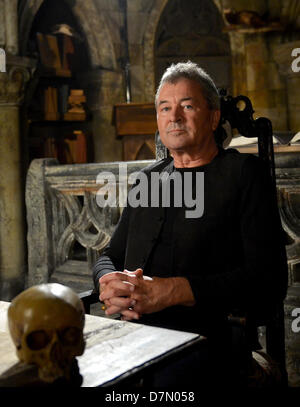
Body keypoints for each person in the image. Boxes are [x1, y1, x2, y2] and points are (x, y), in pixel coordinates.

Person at [92, 61, 288, 387]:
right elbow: (109, 255)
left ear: (213, 118)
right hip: (132, 331)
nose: (174, 116)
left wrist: (171, 291)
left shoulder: (244, 175)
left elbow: (268, 282)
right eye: (165, 108)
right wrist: (108, 281)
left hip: (208, 339)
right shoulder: (147, 181)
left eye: (187, 105)